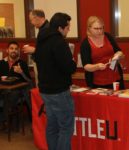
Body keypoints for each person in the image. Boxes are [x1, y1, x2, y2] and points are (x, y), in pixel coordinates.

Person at [23, 12, 77, 150]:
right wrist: (73, 63)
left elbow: (39, 59)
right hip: (59, 91)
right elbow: (69, 67)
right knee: (66, 128)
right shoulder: (59, 42)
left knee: (52, 126)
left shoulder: (41, 38)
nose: (68, 29)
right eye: (67, 27)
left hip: (45, 90)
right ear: (60, 28)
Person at [80, 16, 125, 89]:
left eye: (101, 28)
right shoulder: (85, 43)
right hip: (97, 82)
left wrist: (118, 55)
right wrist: (97, 66)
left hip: (115, 77)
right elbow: (86, 66)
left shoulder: (108, 36)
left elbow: (119, 52)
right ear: (89, 28)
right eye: (96, 29)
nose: (99, 31)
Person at [0, 41, 32, 122]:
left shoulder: (22, 63)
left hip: (17, 91)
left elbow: (29, 81)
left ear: (18, 51)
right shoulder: (1, 63)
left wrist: (21, 72)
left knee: (11, 95)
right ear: (7, 50)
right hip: (2, 89)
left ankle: (5, 120)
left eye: (16, 49)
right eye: (11, 48)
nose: (14, 50)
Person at [23, 9, 49, 86]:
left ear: (37, 18)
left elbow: (48, 50)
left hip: (44, 66)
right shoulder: (44, 29)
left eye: (31, 20)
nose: (31, 23)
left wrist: (34, 50)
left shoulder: (47, 30)